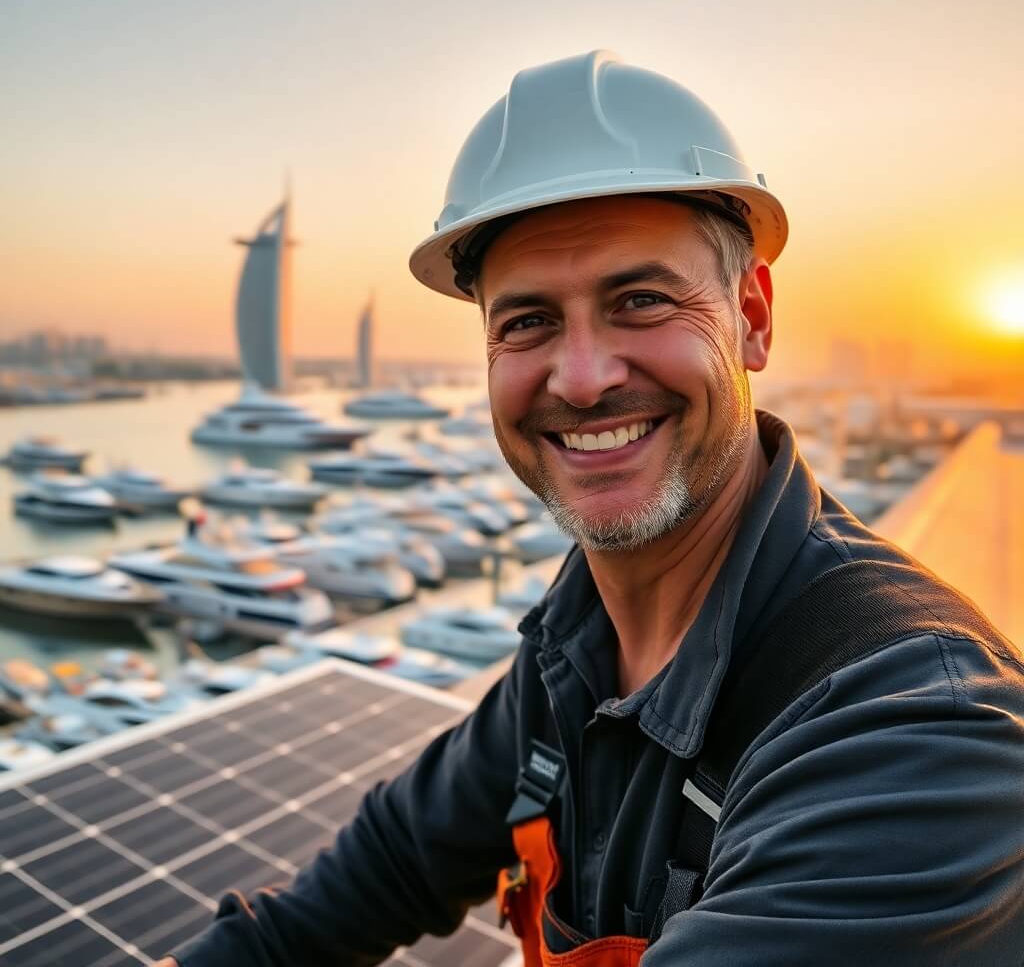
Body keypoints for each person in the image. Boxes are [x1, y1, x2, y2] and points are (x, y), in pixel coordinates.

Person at [162, 51, 1024, 967]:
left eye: (642, 300)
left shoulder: (916, 736)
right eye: (527, 321)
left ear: (753, 318)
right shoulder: (577, 652)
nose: (580, 379)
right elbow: (393, 861)